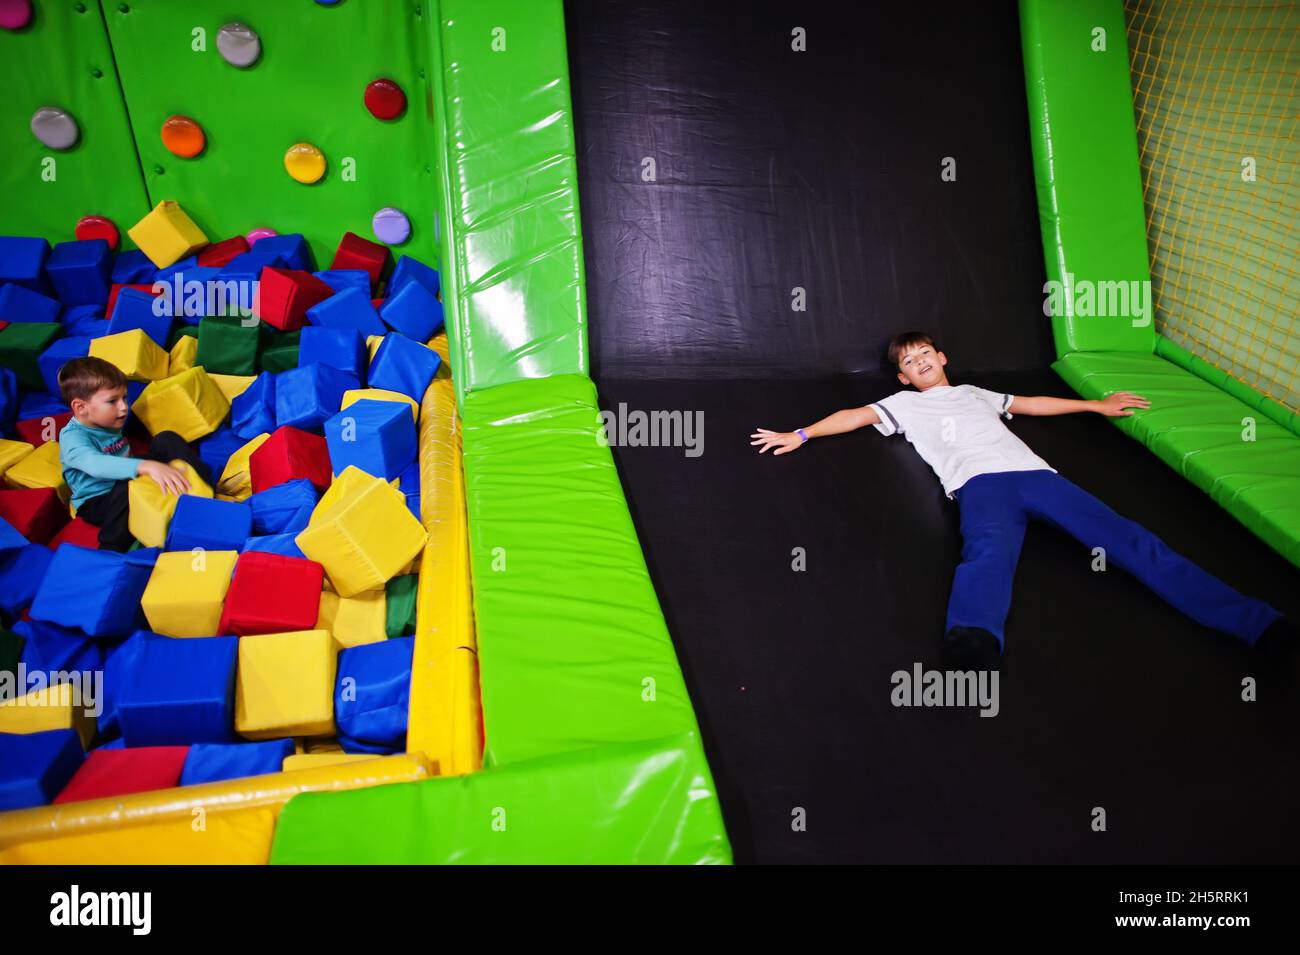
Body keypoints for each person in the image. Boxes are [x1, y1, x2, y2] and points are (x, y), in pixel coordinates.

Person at [750, 331, 1294, 670]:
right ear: (902, 377)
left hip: (1038, 478)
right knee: (986, 554)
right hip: (981, 488)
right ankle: (974, 640)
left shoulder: (975, 394)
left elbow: (1031, 404)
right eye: (908, 362)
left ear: (942, 357)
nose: (919, 363)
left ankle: (1256, 625)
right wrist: (800, 434)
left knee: (1131, 540)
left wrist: (1096, 407)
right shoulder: (903, 405)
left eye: (924, 354)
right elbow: (853, 416)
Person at [57, 356, 211, 552]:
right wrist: (145, 467)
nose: (123, 406)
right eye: (113, 401)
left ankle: (206, 487)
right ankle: (111, 549)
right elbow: (93, 463)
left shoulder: (106, 418)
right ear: (80, 407)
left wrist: (147, 466)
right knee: (126, 486)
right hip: (98, 500)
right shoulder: (72, 437)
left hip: (130, 477)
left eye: (124, 397)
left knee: (166, 438)